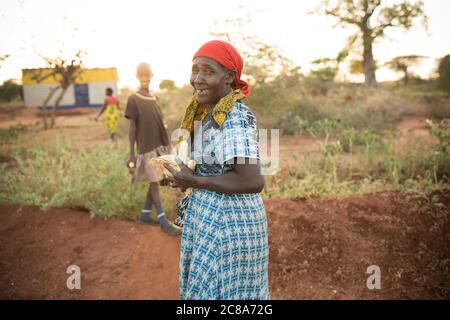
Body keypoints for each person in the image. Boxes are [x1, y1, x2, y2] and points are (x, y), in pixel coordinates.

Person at [164, 40, 269, 299]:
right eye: (195, 70)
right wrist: (178, 175)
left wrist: (195, 180)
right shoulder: (207, 115)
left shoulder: (235, 116)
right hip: (209, 220)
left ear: (229, 77)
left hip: (230, 227)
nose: (197, 79)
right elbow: (208, 168)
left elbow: (251, 180)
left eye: (208, 71)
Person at [125, 62, 181, 236]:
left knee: (154, 180)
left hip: (159, 145)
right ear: (136, 76)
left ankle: (145, 215)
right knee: (155, 182)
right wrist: (132, 154)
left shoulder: (154, 96)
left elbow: (159, 120)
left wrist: (167, 146)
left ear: (151, 75)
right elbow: (132, 127)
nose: (144, 78)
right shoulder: (133, 98)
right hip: (146, 146)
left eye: (147, 74)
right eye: (141, 75)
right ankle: (164, 221)